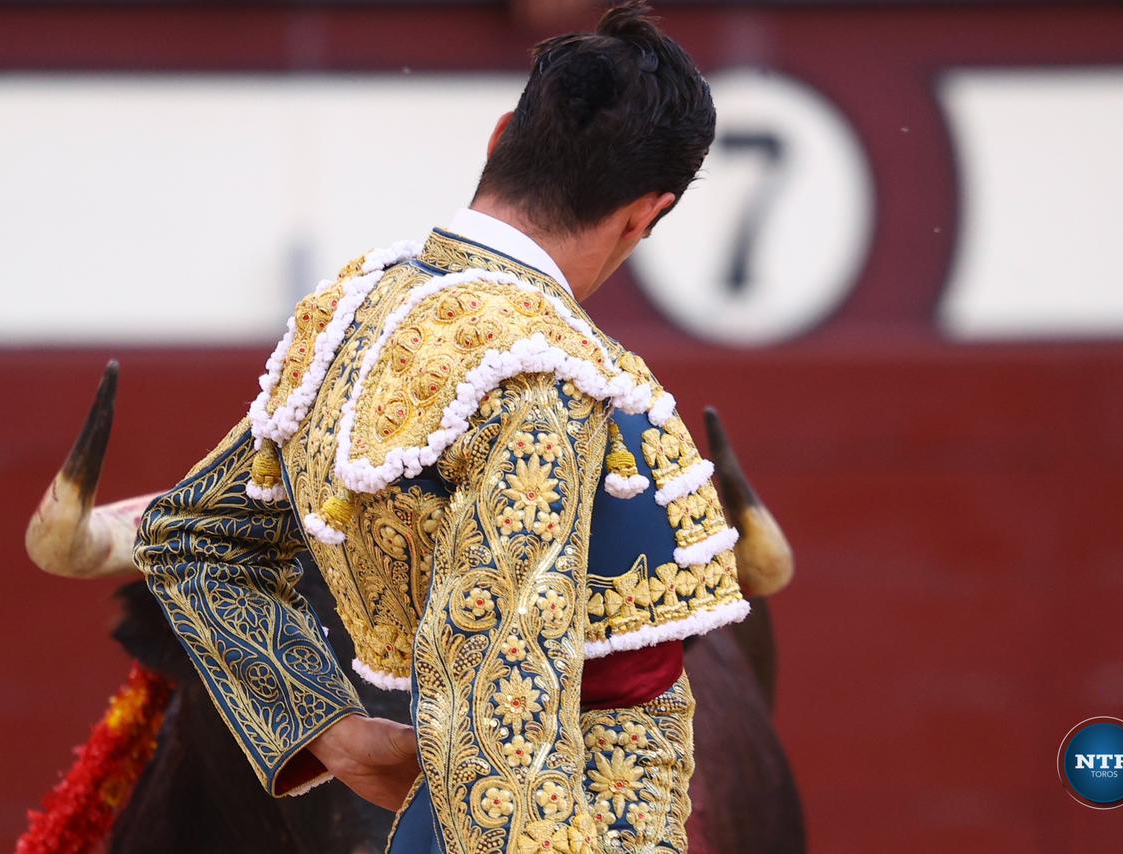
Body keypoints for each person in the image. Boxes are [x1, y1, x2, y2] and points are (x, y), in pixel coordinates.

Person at [133, 3, 748, 850]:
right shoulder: (546, 377)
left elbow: (190, 539)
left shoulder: (354, 311)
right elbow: (503, 734)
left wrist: (330, 732)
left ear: (499, 138)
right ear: (647, 212)